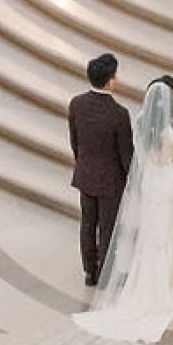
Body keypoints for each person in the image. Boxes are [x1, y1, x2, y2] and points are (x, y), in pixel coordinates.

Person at [75, 73, 173, 345]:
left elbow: (139, 158)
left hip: (152, 189)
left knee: (151, 238)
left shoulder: (142, 123)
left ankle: (145, 283)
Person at [68, 51, 135, 289]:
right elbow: (126, 154)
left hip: (86, 174)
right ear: (109, 80)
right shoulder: (119, 114)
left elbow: (74, 141)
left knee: (87, 224)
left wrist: (84, 164)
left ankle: (90, 272)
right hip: (110, 181)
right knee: (107, 228)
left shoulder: (76, 104)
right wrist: (132, 181)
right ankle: (106, 274)